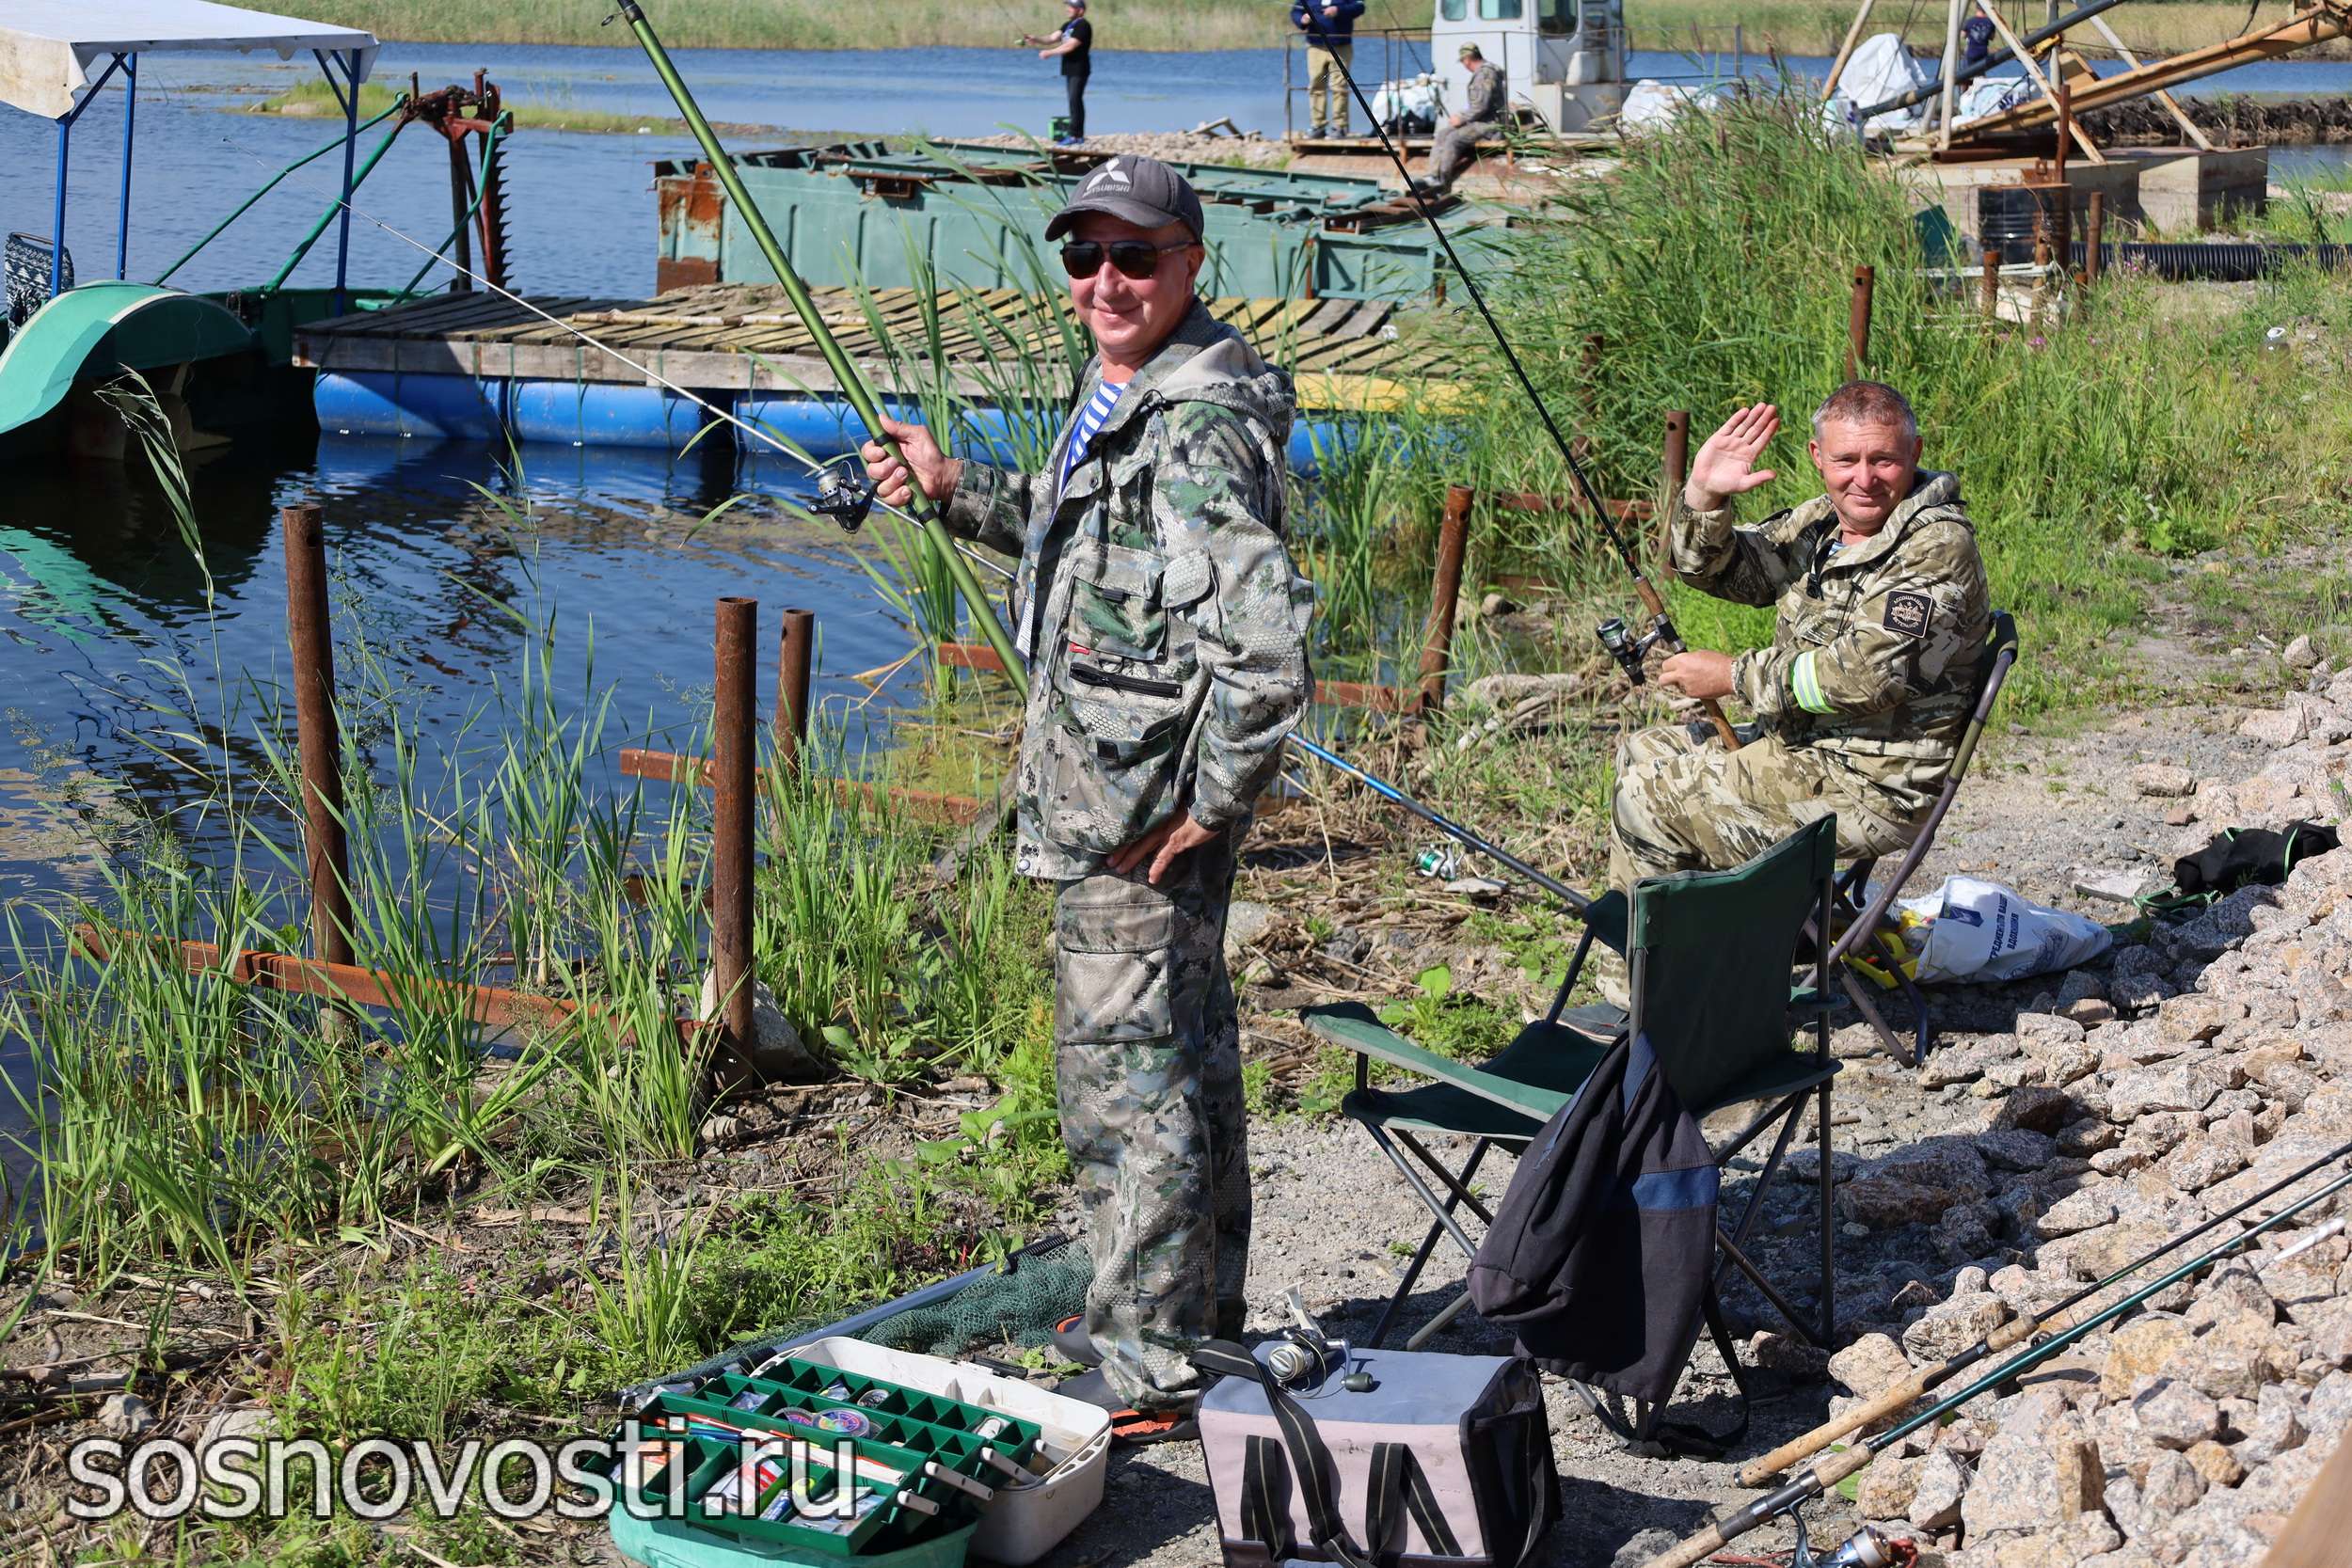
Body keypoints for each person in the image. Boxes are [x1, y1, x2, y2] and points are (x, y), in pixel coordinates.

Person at [860, 157, 1312, 1441]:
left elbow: (1267, 649)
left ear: (1189, 263)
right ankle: (1190, 1318)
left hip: (1136, 817)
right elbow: (1101, 559)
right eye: (1084, 257)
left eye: (1135, 257)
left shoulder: (1195, 424)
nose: (1105, 282)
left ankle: (1149, 1361)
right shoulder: (1135, 384)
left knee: (1126, 1095)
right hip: (1128, 801)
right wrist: (955, 490)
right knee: (1185, 1064)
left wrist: (1210, 804)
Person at [1607, 382, 1991, 896]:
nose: (1864, 479)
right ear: (1817, 456)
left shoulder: (1937, 548)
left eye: (1883, 460)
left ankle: (1648, 950)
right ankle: (1718, 934)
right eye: (1846, 460)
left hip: (1871, 782)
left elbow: (1868, 676)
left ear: (1914, 453)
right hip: (1802, 744)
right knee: (1641, 751)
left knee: (1648, 801)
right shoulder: (1824, 523)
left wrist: (1732, 676)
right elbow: (1718, 571)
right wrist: (1704, 494)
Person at [1416, 42, 1505, 197]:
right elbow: (1478, 106)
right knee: (1443, 134)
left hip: (1489, 125)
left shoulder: (1485, 74)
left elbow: (1481, 106)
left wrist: (1461, 119)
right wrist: (1460, 116)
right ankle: (1432, 175)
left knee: (1453, 139)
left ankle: (1442, 180)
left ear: (1467, 59)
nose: (1464, 65)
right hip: (1479, 121)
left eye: (1463, 61)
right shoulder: (1483, 73)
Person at [1022, 0, 1094, 145]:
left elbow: (1070, 46)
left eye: (1071, 7)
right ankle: (1074, 134)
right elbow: (1051, 38)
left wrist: (1049, 53)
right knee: (1072, 100)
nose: (1068, 9)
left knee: (1075, 100)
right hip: (1069, 69)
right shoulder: (1068, 25)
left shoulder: (1083, 25)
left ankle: (1076, 135)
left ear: (1080, 10)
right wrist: (1035, 39)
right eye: (1068, 6)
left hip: (1079, 68)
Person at [1292, 0, 1367, 137]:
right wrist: (1302, 19)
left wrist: (1338, 10)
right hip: (1315, 47)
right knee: (1316, 85)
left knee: (1339, 86)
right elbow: (1296, 11)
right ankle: (1317, 126)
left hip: (1341, 46)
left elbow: (1359, 7)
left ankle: (1340, 127)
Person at [1961, 4, 1996, 70]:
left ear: (1976, 8)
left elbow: (1963, 35)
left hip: (1971, 52)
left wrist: (1969, 35)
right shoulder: (1990, 22)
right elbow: (1992, 37)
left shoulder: (1969, 21)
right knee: (1981, 72)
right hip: (1983, 53)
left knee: (1967, 72)